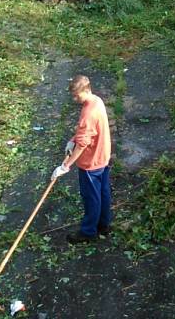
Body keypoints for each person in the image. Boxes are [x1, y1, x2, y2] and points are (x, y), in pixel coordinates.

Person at [52, 75, 112, 244]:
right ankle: (104, 225)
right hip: (103, 157)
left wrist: (65, 166)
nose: (75, 99)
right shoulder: (97, 101)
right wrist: (73, 139)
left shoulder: (88, 113)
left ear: (87, 90)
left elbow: (82, 145)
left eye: (77, 95)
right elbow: (88, 132)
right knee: (103, 193)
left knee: (91, 197)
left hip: (90, 163)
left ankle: (88, 232)